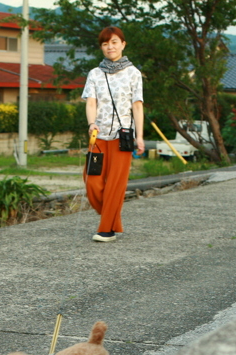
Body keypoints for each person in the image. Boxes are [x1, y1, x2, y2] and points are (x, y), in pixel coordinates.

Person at [82, 26, 144, 243]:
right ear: (101, 47)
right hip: (98, 136)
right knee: (92, 181)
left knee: (116, 184)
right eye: (105, 43)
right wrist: (91, 123)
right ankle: (112, 218)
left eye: (114, 42)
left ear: (123, 44)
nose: (110, 47)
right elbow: (91, 102)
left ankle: (106, 230)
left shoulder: (133, 73)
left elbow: (137, 106)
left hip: (123, 136)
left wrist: (140, 136)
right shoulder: (95, 74)